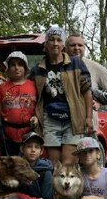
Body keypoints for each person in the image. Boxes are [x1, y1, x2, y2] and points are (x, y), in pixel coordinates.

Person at [30, 26, 93, 165]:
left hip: (73, 119)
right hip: (50, 120)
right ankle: (55, 187)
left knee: (68, 163)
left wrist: (88, 117)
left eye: (59, 40)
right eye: (51, 40)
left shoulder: (75, 63)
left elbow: (87, 91)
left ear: (63, 44)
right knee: (55, 164)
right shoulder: (37, 69)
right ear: (46, 44)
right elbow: (27, 90)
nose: (55, 43)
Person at [65, 33, 107, 132]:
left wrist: (100, 102)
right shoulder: (59, 65)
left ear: (84, 48)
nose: (77, 48)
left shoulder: (93, 66)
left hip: (88, 127)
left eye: (80, 45)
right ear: (65, 48)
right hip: (65, 125)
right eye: (73, 45)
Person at [0, 51, 38, 157]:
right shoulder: (2, 87)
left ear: (26, 68)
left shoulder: (34, 86)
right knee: (8, 165)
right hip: (7, 135)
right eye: (13, 65)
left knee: (27, 166)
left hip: (29, 135)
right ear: (8, 68)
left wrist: (36, 117)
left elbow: (40, 107)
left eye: (20, 64)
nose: (16, 68)